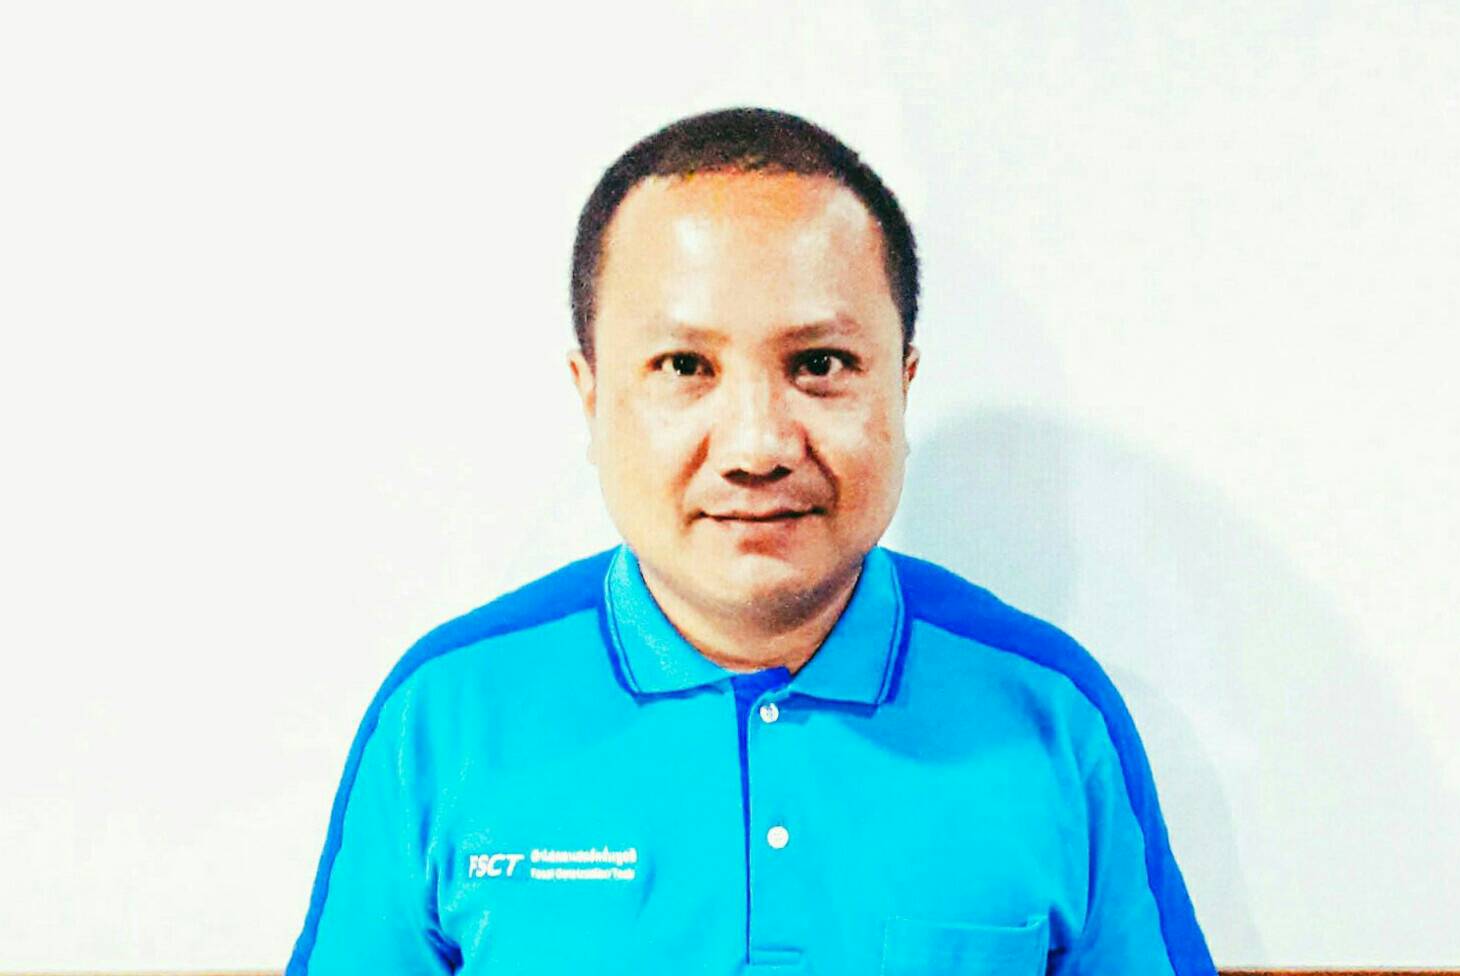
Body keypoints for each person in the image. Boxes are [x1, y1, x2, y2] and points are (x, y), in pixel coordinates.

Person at [287, 107, 1217, 976]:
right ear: (592, 394)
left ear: (901, 386)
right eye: (684, 366)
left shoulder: (1053, 714)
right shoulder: (446, 715)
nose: (758, 446)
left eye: (820, 364)